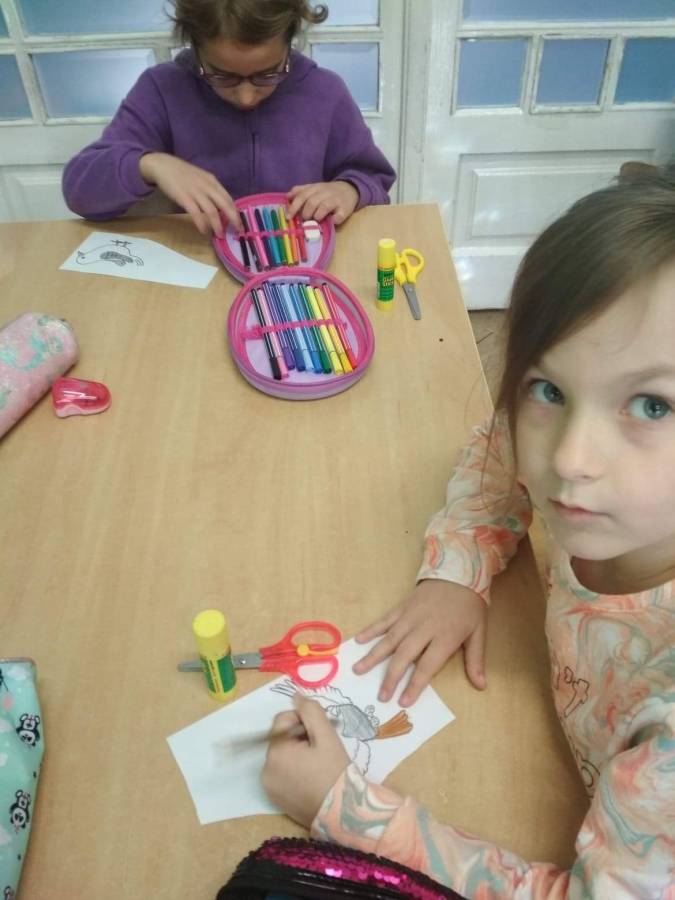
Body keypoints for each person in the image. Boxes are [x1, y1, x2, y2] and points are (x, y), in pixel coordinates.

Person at [261, 170, 675, 897]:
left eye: (651, 405)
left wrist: (348, 810)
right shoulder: (605, 492)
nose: (568, 461)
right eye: (549, 389)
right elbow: (499, 452)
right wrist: (457, 572)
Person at [61, 0, 395, 238]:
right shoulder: (163, 89)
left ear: (289, 42)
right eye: (222, 76)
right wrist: (149, 164)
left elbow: (373, 178)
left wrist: (348, 189)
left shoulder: (325, 91)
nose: (246, 96)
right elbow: (79, 192)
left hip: (300, 263)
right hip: (201, 264)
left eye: (267, 74)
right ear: (196, 48)